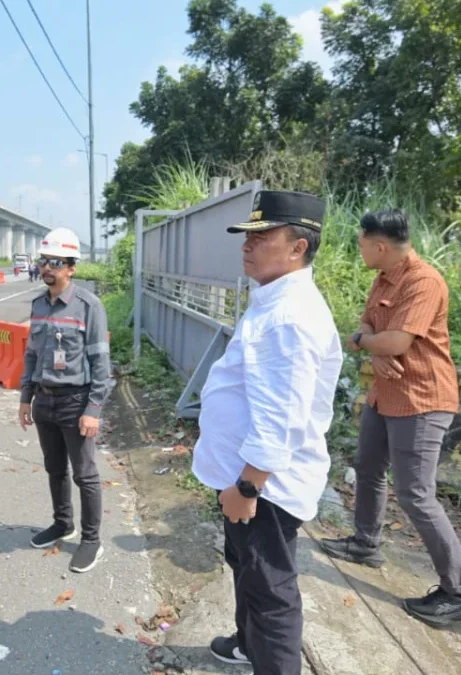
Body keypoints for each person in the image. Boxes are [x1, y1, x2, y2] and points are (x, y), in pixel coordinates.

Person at [193, 191, 343, 674]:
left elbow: (282, 416)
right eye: (248, 236)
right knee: (247, 570)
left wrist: (247, 486)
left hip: (263, 486)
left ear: (298, 247)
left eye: (262, 236)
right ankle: (248, 644)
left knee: (271, 590)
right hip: (245, 476)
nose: (248, 245)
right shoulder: (274, 301)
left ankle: (270, 658)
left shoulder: (290, 317)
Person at [320, 209, 461, 627]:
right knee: (368, 466)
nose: (358, 249)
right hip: (386, 393)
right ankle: (365, 543)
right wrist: (373, 350)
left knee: (415, 494)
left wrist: (369, 345)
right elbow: (369, 330)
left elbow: (394, 341)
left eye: (360, 243)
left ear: (380, 246)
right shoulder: (383, 278)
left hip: (421, 398)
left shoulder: (423, 281)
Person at [17, 227, 113, 574]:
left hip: (76, 401)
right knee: (55, 469)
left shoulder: (89, 306)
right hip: (44, 400)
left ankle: (91, 540)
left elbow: (102, 363)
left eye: (55, 262)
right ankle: (62, 524)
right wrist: (25, 398)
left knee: (84, 474)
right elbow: (31, 354)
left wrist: (93, 409)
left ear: (71, 268)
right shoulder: (39, 304)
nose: (47, 268)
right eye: (44, 261)